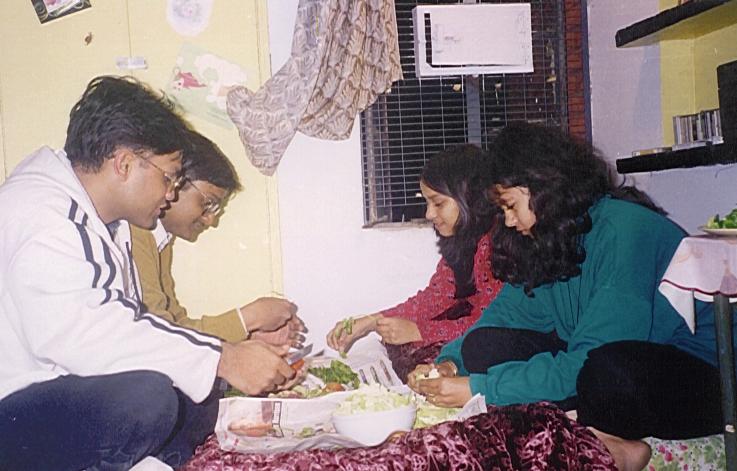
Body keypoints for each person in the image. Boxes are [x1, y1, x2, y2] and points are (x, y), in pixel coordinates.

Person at [0, 76, 300, 471]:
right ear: (125, 164)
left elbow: (135, 327)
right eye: (169, 177)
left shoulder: (108, 223)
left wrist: (220, 358)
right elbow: (86, 333)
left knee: (198, 398)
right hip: (13, 405)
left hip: (55, 389)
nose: (171, 193)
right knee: (149, 398)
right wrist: (223, 356)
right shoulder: (46, 213)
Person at [409, 122, 730, 471]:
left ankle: (620, 446)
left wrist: (481, 387)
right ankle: (575, 419)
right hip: (604, 357)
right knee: (481, 347)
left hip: (706, 380)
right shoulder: (550, 236)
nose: (509, 221)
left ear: (544, 189)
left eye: (511, 206)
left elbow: (588, 358)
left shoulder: (624, 231)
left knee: (606, 373)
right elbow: (501, 316)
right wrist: (448, 362)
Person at [326, 145, 504, 379]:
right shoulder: (461, 241)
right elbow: (434, 298)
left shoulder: (497, 245)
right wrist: (372, 321)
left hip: (498, 342)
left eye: (438, 203)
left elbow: (493, 324)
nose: (429, 214)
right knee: (400, 349)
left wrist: (420, 331)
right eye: (427, 203)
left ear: (470, 198)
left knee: (418, 355)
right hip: (478, 335)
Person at [131, 129, 303, 346]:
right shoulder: (136, 235)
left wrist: (249, 335)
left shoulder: (160, 241)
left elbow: (176, 326)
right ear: (174, 184)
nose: (211, 220)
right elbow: (162, 337)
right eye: (208, 203)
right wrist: (248, 319)